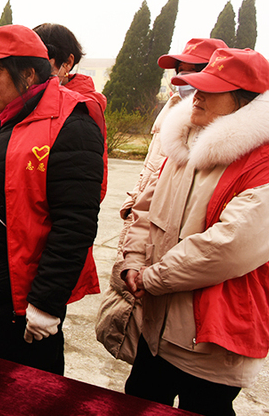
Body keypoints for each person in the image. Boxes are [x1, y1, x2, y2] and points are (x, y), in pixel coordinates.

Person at [0, 25, 105, 375]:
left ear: (28, 74)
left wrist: (45, 302)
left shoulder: (71, 125)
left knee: (18, 391)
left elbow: (74, 223)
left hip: (16, 303)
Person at [120, 48, 269, 416]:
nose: (196, 96)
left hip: (211, 342)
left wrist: (152, 278)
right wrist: (132, 262)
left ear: (245, 102)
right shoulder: (185, 144)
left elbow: (229, 247)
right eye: (197, 87)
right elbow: (145, 210)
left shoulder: (261, 162)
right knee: (137, 400)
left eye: (210, 90)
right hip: (156, 328)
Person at [96, 37, 227, 364]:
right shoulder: (174, 111)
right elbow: (153, 177)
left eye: (192, 72)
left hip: (183, 274)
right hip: (148, 238)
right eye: (179, 71)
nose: (182, 80)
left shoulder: (227, 139)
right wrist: (134, 253)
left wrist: (153, 276)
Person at [33, 23, 109, 201]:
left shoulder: (83, 111)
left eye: (43, 62)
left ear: (67, 63)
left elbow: (84, 190)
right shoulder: (30, 98)